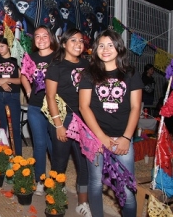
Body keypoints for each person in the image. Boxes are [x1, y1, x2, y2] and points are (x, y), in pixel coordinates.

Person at [79, 29, 142, 216]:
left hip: (122, 137)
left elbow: (136, 107)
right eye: (101, 45)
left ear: (119, 48)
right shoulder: (89, 73)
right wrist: (101, 138)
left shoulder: (130, 73)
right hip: (95, 136)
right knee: (96, 182)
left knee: (128, 190)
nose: (105, 49)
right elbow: (84, 107)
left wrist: (126, 138)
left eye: (110, 45)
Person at [45, 28, 91, 216]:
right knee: (59, 162)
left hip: (85, 120)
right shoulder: (56, 66)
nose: (78, 44)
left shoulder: (88, 65)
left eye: (81, 41)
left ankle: (82, 203)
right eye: (73, 40)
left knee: (84, 163)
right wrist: (58, 125)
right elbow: (50, 96)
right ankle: (55, 200)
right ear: (64, 44)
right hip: (63, 118)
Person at [20, 25, 59, 195]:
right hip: (36, 106)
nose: (41, 39)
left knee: (55, 144)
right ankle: (40, 180)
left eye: (45, 36)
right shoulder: (30, 57)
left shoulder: (59, 57)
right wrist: (28, 91)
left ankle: (57, 179)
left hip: (56, 108)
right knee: (40, 143)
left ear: (50, 37)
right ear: (33, 40)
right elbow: (23, 75)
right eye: (37, 36)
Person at [0, 36, 22, 155]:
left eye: (2, 46)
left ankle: (18, 157)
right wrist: (0, 82)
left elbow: (22, 80)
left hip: (12, 96)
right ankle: (1, 156)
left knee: (15, 128)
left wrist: (6, 81)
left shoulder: (16, 59)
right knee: (0, 127)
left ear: (9, 46)